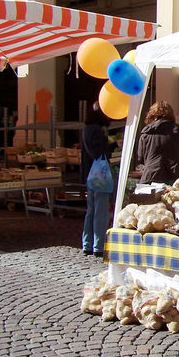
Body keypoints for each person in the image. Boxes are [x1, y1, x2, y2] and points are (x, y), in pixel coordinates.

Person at [81, 102, 118, 258]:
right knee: (100, 212)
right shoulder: (97, 130)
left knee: (91, 211)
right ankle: (98, 245)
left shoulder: (86, 129)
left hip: (89, 174)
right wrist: (114, 145)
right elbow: (98, 152)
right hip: (99, 175)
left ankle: (87, 243)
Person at [137, 101, 179, 185]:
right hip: (175, 176)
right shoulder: (177, 130)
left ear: (153, 114)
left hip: (152, 175)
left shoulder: (146, 132)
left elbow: (141, 158)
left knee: (152, 198)